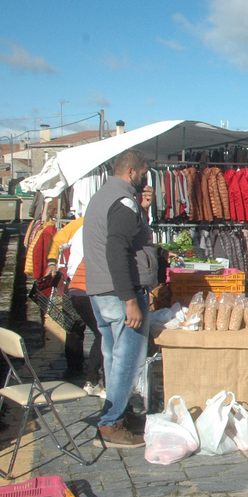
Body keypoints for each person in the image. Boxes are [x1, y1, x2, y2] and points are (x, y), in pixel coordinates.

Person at [83, 149, 158, 448]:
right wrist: (129, 299)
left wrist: (142, 210)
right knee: (127, 360)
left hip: (100, 291)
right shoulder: (124, 201)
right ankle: (111, 422)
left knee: (113, 356)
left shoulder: (105, 196)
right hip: (119, 293)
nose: (145, 178)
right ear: (131, 172)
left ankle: (117, 414)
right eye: (144, 173)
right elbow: (117, 249)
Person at [45, 216, 105, 398]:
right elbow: (57, 240)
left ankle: (80, 372)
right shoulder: (82, 222)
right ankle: (80, 372)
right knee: (80, 329)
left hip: (80, 283)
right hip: (78, 282)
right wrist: (52, 262)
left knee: (79, 328)